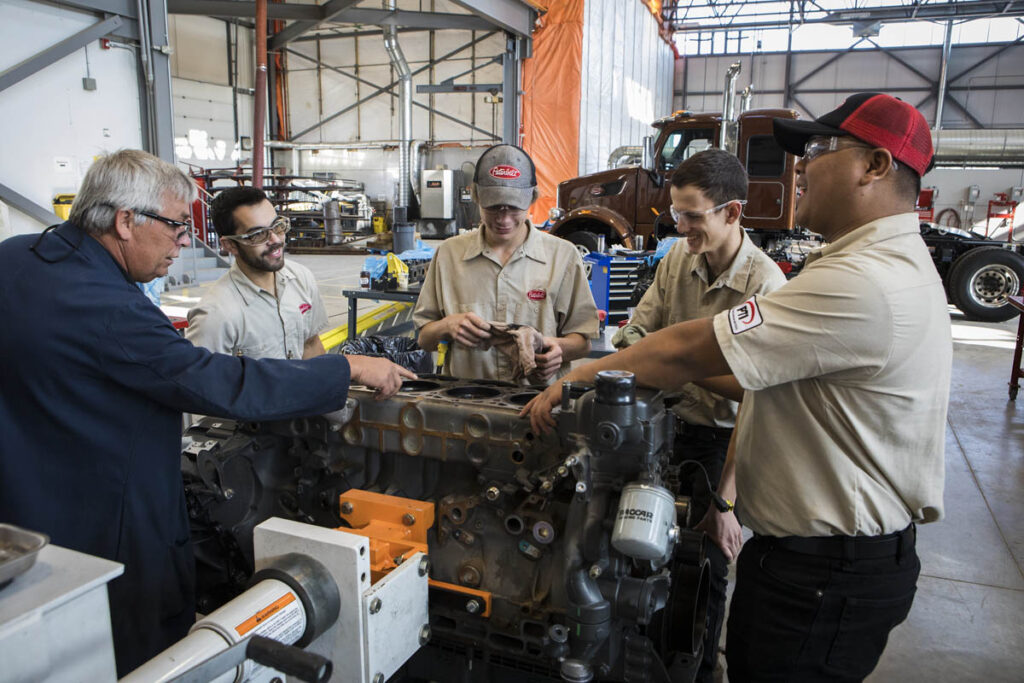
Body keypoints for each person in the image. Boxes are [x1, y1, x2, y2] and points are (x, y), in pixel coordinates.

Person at [524, 93, 950, 682]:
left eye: (821, 149)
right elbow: (654, 339)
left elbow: (681, 349)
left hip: (825, 570)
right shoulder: (880, 266)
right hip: (820, 557)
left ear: (874, 166)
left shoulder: (861, 283)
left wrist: (572, 378)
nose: (800, 167)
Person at [0, 150, 414, 677]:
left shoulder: (15, 257)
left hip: (25, 527)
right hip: (111, 536)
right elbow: (218, 382)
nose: (182, 240)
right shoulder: (108, 307)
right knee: (145, 660)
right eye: (175, 225)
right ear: (126, 221)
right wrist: (346, 369)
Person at [621, 148, 786, 682]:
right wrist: (654, 356)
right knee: (635, 549)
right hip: (659, 428)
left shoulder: (765, 286)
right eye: (676, 215)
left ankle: (698, 669)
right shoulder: (676, 258)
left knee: (707, 564)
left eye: (693, 215)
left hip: (723, 443)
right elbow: (636, 332)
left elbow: (758, 396)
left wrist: (725, 501)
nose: (682, 227)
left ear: (732, 213)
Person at [413, 144, 600, 384]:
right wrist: (446, 326)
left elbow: (583, 341)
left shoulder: (562, 256)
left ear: (532, 197)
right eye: (492, 208)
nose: (503, 219)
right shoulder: (449, 255)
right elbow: (424, 339)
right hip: (467, 401)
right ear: (476, 195)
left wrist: (557, 349)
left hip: (537, 403)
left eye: (513, 207)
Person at [186, 187, 328, 359]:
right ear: (230, 245)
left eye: (277, 226)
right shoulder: (214, 316)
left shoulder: (301, 278)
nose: (275, 240)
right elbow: (205, 383)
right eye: (258, 234)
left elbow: (310, 344)